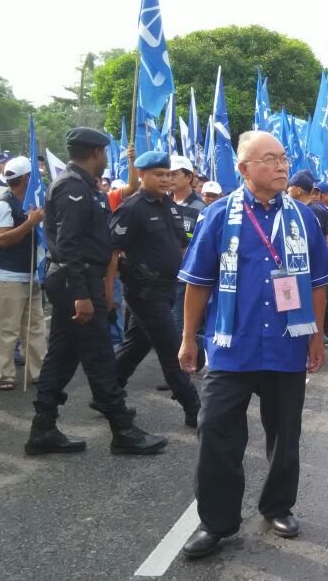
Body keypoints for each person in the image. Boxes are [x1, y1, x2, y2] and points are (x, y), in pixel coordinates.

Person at [178, 131, 328, 559]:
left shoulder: (303, 218)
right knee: (216, 431)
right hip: (232, 346)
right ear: (245, 169)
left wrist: (316, 335)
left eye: (283, 158)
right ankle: (217, 522)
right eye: (269, 159)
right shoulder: (218, 216)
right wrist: (189, 338)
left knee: (285, 434)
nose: (282, 166)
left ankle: (278, 506)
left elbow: (319, 283)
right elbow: (198, 283)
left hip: (287, 344)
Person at [25, 127, 167, 456]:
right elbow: (70, 244)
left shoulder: (84, 187)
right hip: (77, 280)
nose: (105, 159)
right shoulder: (72, 188)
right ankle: (123, 430)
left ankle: (42, 428)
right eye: (104, 153)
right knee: (100, 355)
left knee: (61, 357)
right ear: (96, 154)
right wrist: (82, 294)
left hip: (80, 279)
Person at [107, 151, 200, 427]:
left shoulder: (169, 206)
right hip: (144, 291)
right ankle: (193, 405)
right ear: (142, 175)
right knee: (171, 346)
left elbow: (182, 245)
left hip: (169, 287)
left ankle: (107, 392)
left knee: (137, 344)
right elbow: (112, 252)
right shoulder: (131, 208)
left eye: (168, 174)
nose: (165, 179)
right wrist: (106, 295)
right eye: (158, 175)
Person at [0, 156, 47, 391]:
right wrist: (30, 223)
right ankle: (5, 375)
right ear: (25, 178)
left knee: (35, 327)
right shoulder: (3, 204)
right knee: (7, 329)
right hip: (8, 276)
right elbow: (2, 239)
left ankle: (39, 371)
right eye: (34, 176)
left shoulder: (31, 203)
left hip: (29, 274)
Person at [168, 155, 206, 332]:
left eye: (174, 174)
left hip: (186, 277)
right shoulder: (162, 203)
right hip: (164, 276)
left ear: (189, 177)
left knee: (180, 327)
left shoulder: (202, 208)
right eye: (167, 174)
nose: (169, 178)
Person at [286, 170, 328, 237]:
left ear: (299, 190)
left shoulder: (307, 211)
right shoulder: (321, 209)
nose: (288, 190)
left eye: (290, 187)